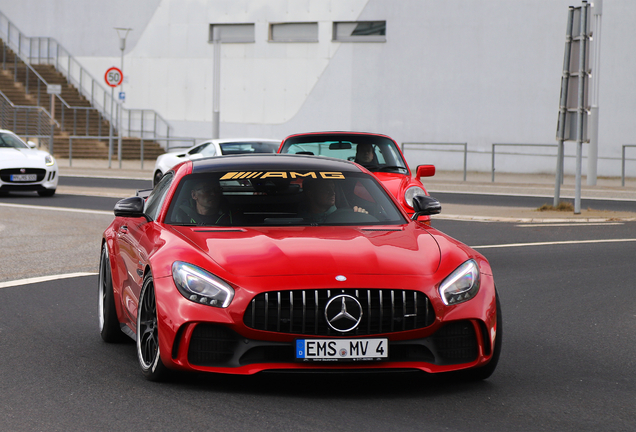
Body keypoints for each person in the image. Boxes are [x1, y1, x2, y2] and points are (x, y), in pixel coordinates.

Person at [301, 178, 367, 223]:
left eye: (333, 188)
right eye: (326, 189)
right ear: (310, 194)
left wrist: (362, 218)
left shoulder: (350, 216)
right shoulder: (297, 220)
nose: (332, 193)